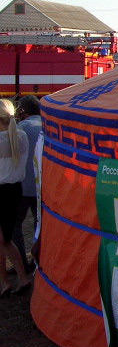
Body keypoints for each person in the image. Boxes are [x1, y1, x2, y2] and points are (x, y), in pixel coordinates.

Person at [0, 99, 32, 296]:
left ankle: (16, 279)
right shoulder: (21, 136)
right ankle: (13, 280)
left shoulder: (4, 138)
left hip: (2, 191)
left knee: (4, 240)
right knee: (4, 239)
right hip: (15, 191)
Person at [13, 96, 42, 273]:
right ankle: (37, 259)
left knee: (16, 225)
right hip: (41, 186)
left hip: (23, 186)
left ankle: (21, 263)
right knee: (39, 224)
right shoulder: (47, 125)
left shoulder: (20, 128)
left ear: (23, 111)